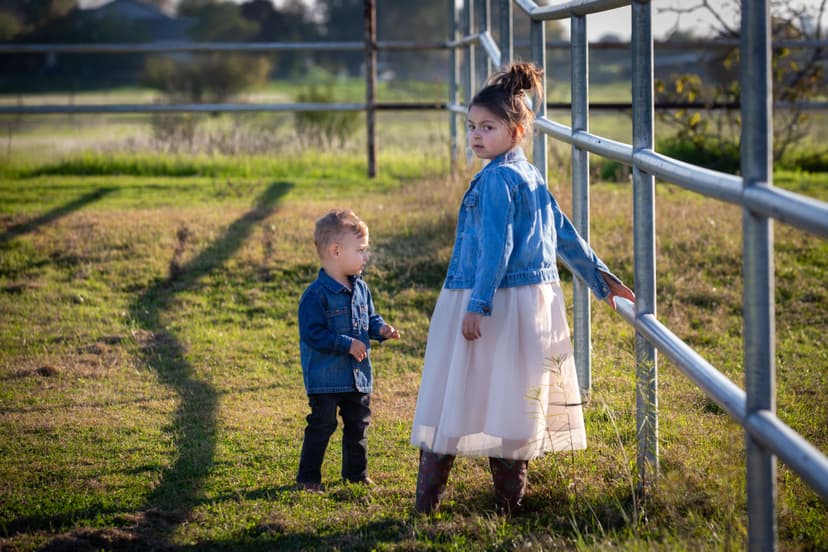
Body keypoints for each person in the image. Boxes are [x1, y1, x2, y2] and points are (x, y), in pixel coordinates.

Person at [410, 62, 635, 514]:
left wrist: (477, 304)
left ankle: (425, 507)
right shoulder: (530, 176)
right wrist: (601, 279)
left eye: (488, 127)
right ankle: (508, 507)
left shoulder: (496, 180)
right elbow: (565, 235)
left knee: (457, 387)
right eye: (472, 126)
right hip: (531, 303)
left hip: (487, 300)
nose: (476, 136)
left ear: (516, 131)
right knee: (512, 394)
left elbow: (497, 246)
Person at [296, 209, 400, 492]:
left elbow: (370, 318)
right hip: (326, 378)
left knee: (358, 425)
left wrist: (381, 330)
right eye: (361, 250)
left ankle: (356, 475)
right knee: (322, 425)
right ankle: (308, 478)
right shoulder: (316, 295)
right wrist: (346, 344)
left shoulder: (361, 289)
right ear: (336, 251)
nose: (366, 257)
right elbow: (313, 333)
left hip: (358, 377)